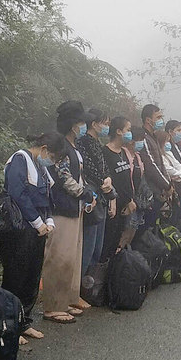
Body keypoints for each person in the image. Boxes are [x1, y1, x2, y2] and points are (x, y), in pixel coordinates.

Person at [1, 132, 66, 345]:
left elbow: (47, 197)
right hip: (20, 228)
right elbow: (17, 194)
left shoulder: (42, 167)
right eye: (53, 157)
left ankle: (25, 321)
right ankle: (9, 326)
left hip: (38, 230)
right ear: (45, 149)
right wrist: (37, 221)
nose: (52, 162)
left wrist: (49, 221)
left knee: (32, 275)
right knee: (15, 277)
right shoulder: (20, 159)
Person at [43, 101, 96, 323]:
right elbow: (63, 177)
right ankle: (52, 306)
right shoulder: (61, 145)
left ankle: (68, 299)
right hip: (62, 209)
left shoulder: (74, 146)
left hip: (76, 209)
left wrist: (87, 198)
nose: (83, 126)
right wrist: (83, 193)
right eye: (81, 122)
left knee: (73, 258)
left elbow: (78, 175)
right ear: (73, 124)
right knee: (60, 258)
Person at [76, 109, 116, 276]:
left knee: (98, 246)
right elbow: (89, 168)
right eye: (105, 123)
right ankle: (79, 285)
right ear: (94, 124)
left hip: (102, 195)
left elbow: (103, 167)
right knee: (89, 245)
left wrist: (108, 179)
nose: (107, 127)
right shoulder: (83, 142)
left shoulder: (97, 143)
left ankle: (89, 283)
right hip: (91, 196)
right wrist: (103, 181)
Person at [102, 116, 136, 258]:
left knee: (117, 242)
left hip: (126, 206)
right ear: (118, 131)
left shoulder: (123, 152)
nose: (130, 133)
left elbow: (127, 179)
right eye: (128, 130)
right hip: (112, 206)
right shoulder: (105, 152)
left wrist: (130, 200)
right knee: (107, 242)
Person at [139, 104, 172, 228]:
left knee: (152, 226)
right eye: (158, 117)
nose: (161, 120)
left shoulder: (154, 137)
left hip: (159, 190)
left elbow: (161, 164)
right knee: (145, 227)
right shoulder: (144, 137)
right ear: (148, 120)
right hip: (150, 191)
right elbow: (151, 166)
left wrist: (166, 185)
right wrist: (167, 185)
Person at [119, 127, 147, 247]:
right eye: (139, 140)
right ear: (131, 141)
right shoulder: (123, 154)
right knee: (125, 232)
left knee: (133, 230)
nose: (141, 143)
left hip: (137, 200)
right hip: (127, 200)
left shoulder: (138, 156)